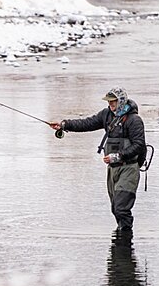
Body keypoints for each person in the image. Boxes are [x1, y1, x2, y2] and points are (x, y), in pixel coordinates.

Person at [49, 88, 146, 234]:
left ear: (121, 101)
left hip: (129, 168)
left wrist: (118, 156)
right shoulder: (106, 115)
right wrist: (64, 125)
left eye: (113, 101)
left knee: (121, 208)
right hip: (112, 169)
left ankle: (125, 241)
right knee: (115, 209)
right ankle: (121, 243)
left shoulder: (134, 120)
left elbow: (139, 145)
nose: (111, 104)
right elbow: (87, 123)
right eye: (109, 101)